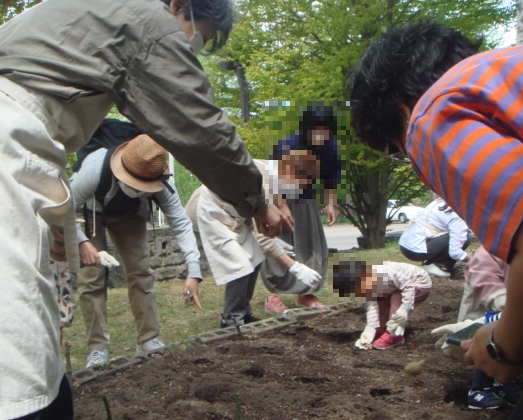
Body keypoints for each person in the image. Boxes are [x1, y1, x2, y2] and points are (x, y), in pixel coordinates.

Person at [0, 0, 289, 420]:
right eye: (197, 36)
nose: (191, 49)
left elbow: (178, 220)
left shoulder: (70, 16)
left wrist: (194, 269)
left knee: (39, 369)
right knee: (1, 390)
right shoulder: (144, 17)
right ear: (180, 4)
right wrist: (256, 199)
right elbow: (197, 123)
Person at [348, 22, 523, 420]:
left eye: (396, 145)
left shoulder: (431, 114)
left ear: (401, 109)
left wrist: (504, 344)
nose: (411, 159)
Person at [70, 132, 203, 367]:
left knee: (141, 271)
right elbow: (64, 210)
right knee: (91, 279)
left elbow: (181, 223)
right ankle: (98, 348)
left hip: (129, 213)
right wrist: (82, 243)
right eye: (136, 184)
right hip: (91, 211)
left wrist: (194, 271)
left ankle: (148, 338)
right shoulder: (93, 169)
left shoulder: (160, 180)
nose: (140, 188)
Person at [187, 150, 323, 327]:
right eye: (303, 183)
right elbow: (263, 240)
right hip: (211, 213)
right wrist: (295, 267)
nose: (301, 189)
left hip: (232, 215)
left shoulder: (273, 173)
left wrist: (281, 215)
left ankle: (243, 311)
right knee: (240, 263)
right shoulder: (262, 181)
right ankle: (232, 319)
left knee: (255, 257)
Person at [261, 103, 341, 313]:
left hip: (306, 202)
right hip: (278, 200)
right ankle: (273, 295)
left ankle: (306, 293)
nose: (321, 134)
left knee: (312, 246)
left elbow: (330, 180)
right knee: (278, 244)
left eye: (326, 130)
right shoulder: (288, 145)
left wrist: (330, 204)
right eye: (317, 129)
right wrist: (281, 206)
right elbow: (273, 177)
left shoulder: (331, 147)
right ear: (307, 128)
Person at [433, 246, 522, 410]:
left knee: (515, 343)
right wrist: (502, 302)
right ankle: (479, 389)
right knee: (490, 345)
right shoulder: (495, 249)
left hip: (516, 310)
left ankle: (503, 383)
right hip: (488, 306)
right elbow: (481, 273)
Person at [332, 259, 432, 350]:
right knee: (380, 299)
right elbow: (373, 305)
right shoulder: (369, 286)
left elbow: (408, 286)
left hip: (419, 283)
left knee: (397, 297)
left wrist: (405, 307)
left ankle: (394, 335)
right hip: (397, 287)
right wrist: (371, 327)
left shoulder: (389, 272)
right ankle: (383, 328)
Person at [398, 197, 471, 278]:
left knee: (456, 235)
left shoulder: (442, 201)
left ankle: (432, 262)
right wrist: (476, 261)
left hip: (405, 244)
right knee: (466, 237)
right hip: (417, 249)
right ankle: (438, 266)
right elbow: (455, 252)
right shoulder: (458, 217)